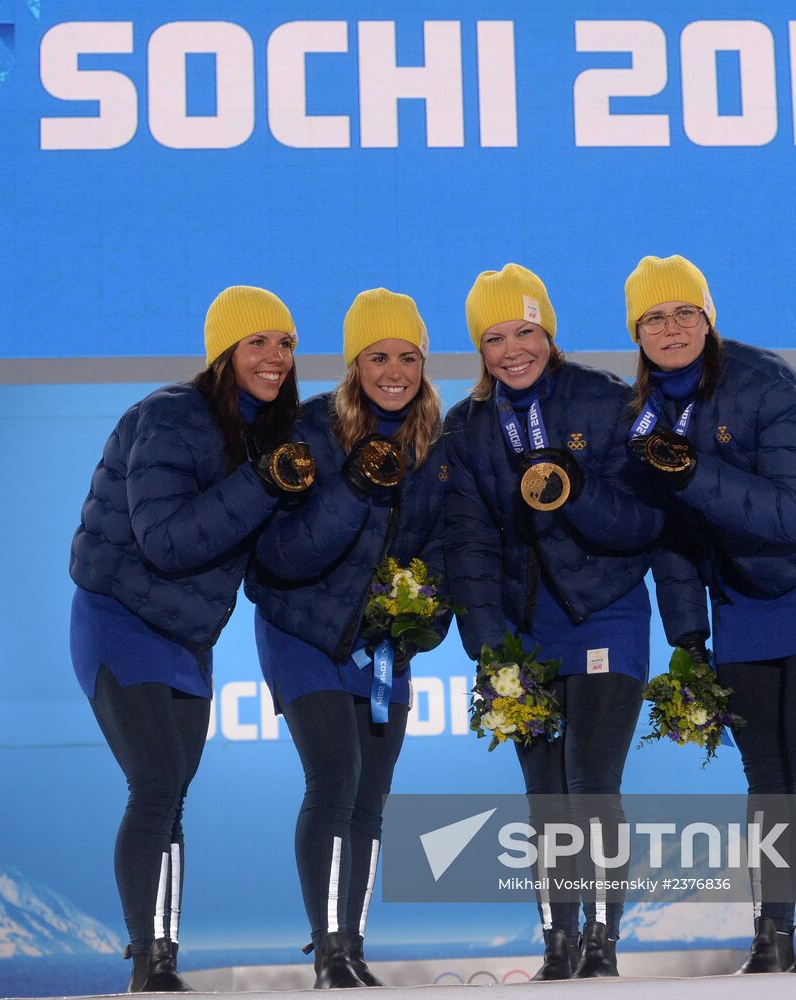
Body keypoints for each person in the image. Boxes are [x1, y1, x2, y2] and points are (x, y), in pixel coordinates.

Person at [623, 255, 796, 974]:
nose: (671, 328)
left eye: (684, 313)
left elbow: (794, 516)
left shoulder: (765, 383)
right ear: (635, 333)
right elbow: (668, 534)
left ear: (708, 319)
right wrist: (688, 639)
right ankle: (770, 935)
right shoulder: (643, 417)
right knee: (764, 770)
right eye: (653, 318)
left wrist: (691, 471)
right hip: (740, 594)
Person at [70, 286, 313, 993]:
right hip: (119, 618)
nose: (275, 356)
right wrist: (264, 481)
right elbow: (167, 541)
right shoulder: (171, 415)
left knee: (171, 794)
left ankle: (163, 955)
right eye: (257, 342)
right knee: (153, 785)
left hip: (187, 636)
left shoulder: (268, 433)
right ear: (223, 352)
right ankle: (150, 962)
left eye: (286, 343)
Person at [443, 264, 665, 979]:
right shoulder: (468, 427)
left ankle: (601, 943)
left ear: (549, 334)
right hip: (520, 629)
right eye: (495, 336)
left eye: (526, 332)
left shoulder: (603, 402)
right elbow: (468, 545)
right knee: (544, 798)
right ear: (479, 349)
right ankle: (557, 946)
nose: (514, 350)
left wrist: (568, 497)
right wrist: (488, 646)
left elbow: (646, 519)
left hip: (605, 611)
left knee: (591, 779)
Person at [245, 288, 449, 989]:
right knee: (334, 778)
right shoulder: (306, 430)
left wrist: (424, 614)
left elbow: (441, 551)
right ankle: (329, 951)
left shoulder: (434, 444)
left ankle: (354, 947)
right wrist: (355, 486)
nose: (393, 371)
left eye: (408, 357)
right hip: (301, 628)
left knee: (370, 797)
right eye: (376, 356)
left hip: (380, 645)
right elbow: (282, 556)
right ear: (352, 364)